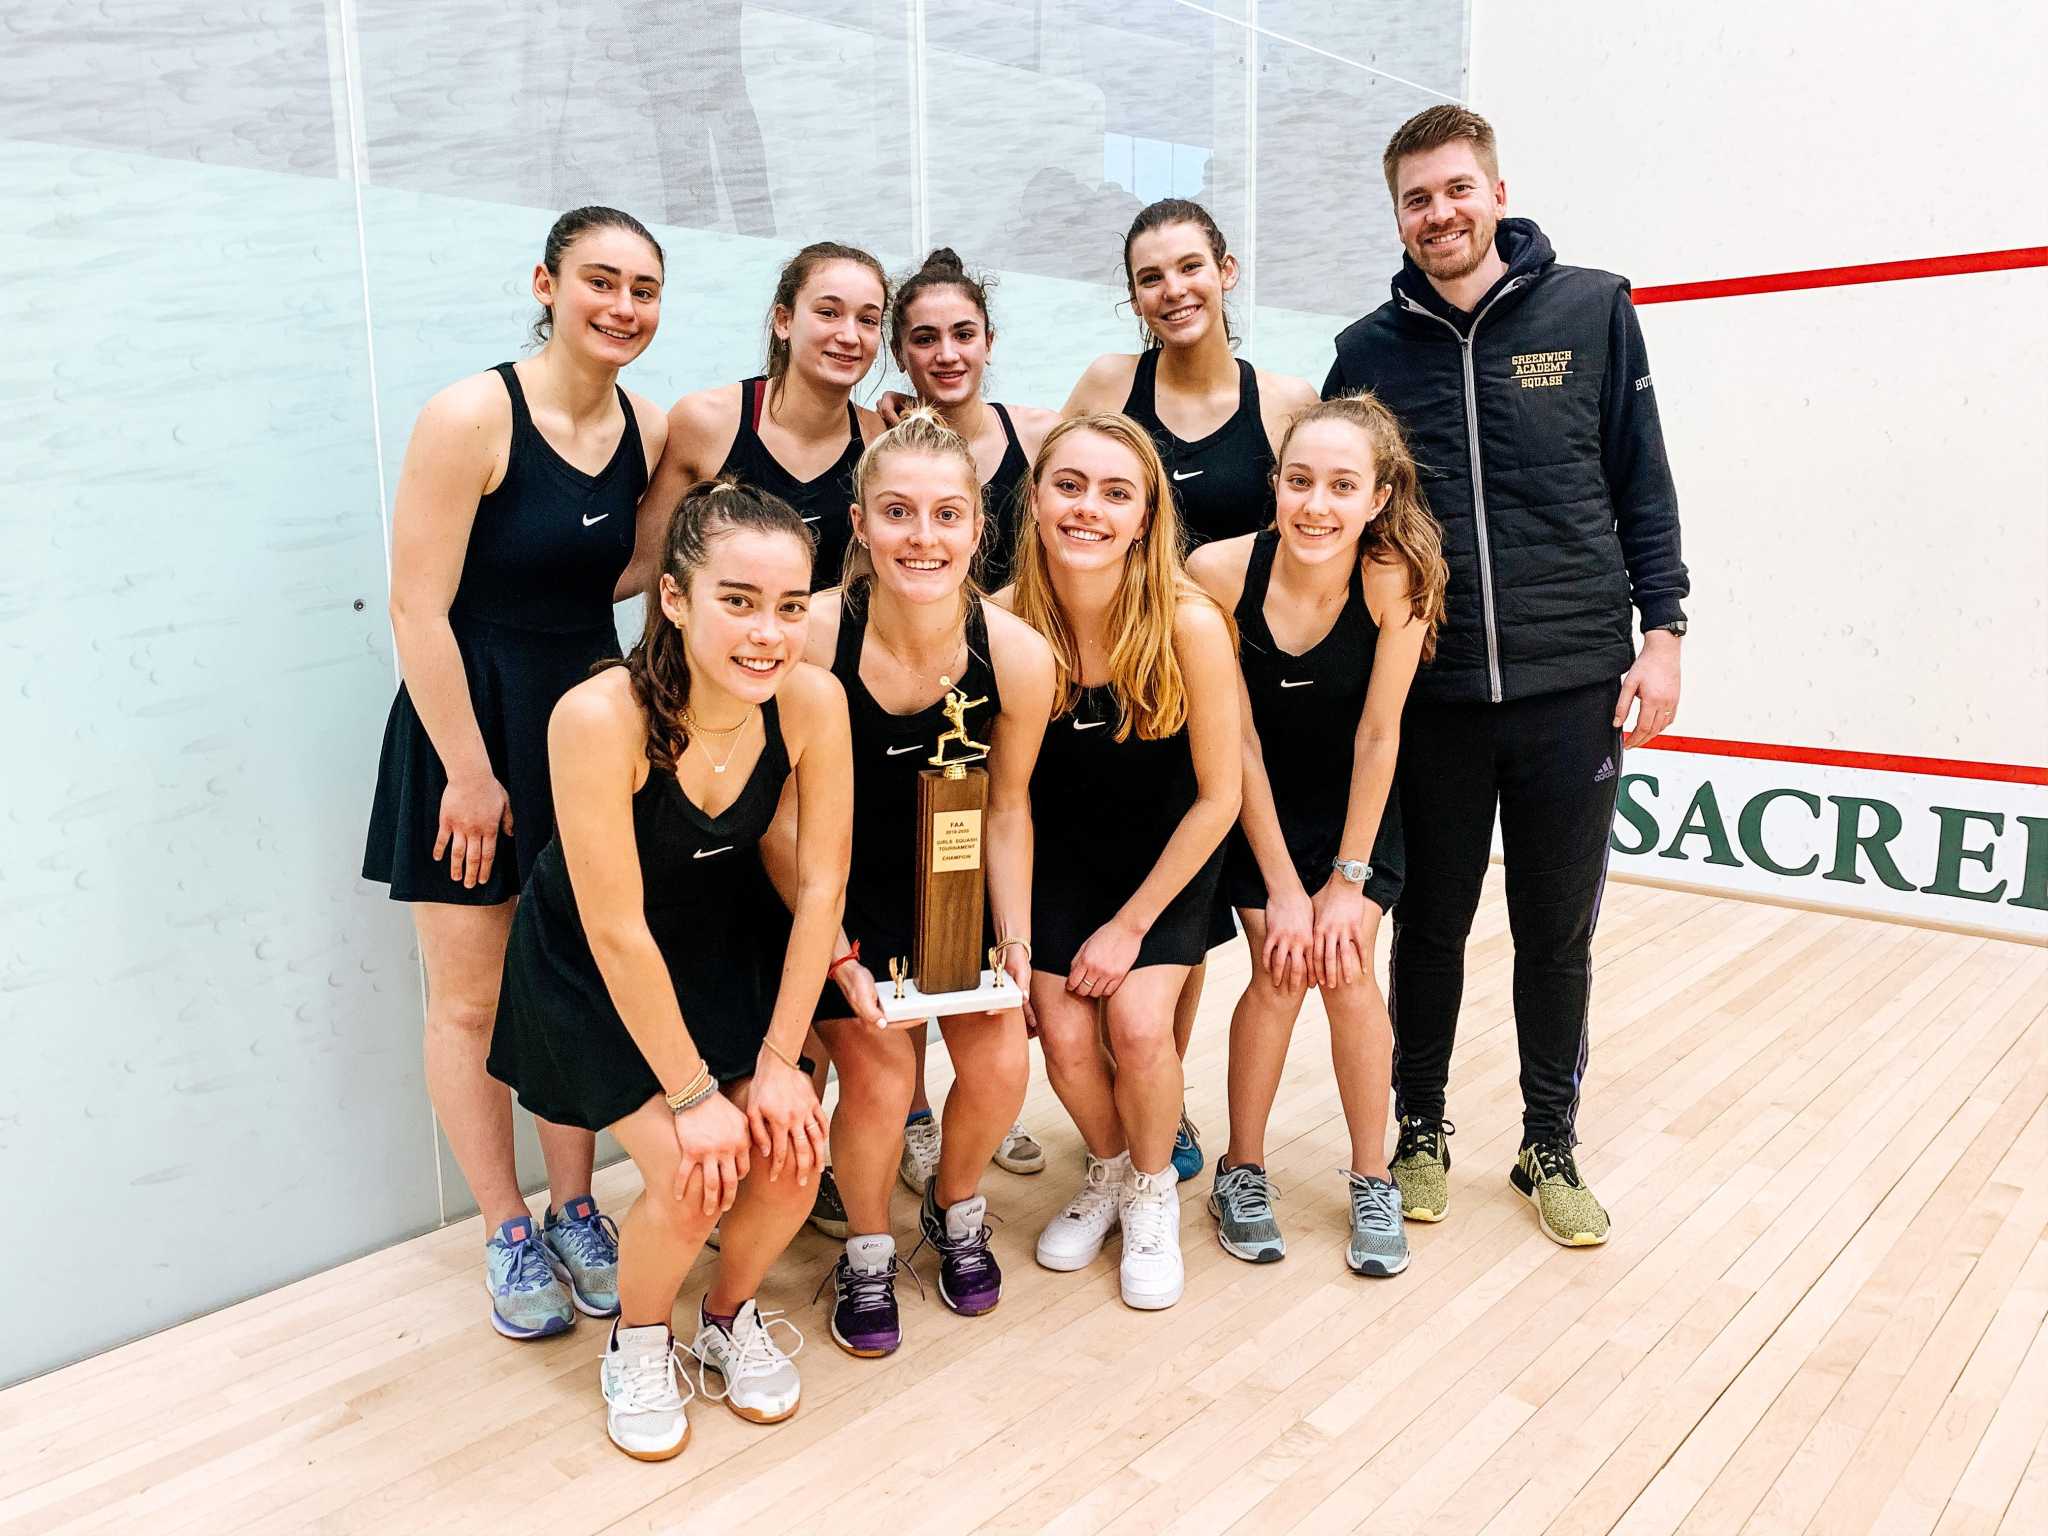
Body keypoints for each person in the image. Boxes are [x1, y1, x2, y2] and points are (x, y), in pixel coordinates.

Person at [1323, 105, 1689, 1247]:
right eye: (1416, 199)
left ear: (1495, 192)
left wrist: (1665, 629)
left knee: (1555, 934)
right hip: (1432, 694)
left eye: (1455, 190)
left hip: (1573, 683)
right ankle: (1418, 1129)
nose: (1438, 214)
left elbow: (1640, 478)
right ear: (1397, 216)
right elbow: (1338, 517)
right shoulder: (1366, 353)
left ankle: (1548, 1143)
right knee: (1429, 926)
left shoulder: (1591, 308)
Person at [487, 481, 853, 1461]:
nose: (768, 633)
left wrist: (779, 1063)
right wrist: (694, 1095)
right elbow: (613, 931)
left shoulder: (813, 702)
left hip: (716, 945)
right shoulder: (596, 716)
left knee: (792, 1150)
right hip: (590, 967)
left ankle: (726, 1317)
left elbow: (822, 888)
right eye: (738, 600)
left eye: (789, 606)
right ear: (676, 599)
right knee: (697, 1175)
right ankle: (639, 1341)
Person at [363, 206, 670, 1340]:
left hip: (585, 723)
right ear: (546, 284)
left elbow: (627, 567)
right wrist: (468, 772)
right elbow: (416, 608)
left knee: (574, 976)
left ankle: (575, 1209)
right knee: (472, 997)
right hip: (469, 731)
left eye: (643, 289)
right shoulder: (471, 415)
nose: (621, 307)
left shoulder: (644, 426)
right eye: (600, 280)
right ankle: (505, 1227)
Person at [766, 407, 1056, 1357]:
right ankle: (867, 1247)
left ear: (978, 528)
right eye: (896, 512)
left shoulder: (1017, 654)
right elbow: (781, 824)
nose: (921, 537)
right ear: (859, 525)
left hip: (951, 894)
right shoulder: (810, 637)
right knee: (884, 1079)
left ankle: (954, 1205)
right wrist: (835, 953)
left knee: (1002, 1063)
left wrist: (1016, 942)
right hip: (829, 896)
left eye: (946, 515)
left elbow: (1007, 808)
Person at [1064, 198, 1321, 1180]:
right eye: (1149, 276)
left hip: (1229, 693)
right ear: (1132, 295)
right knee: (1116, 919)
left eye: (1188, 267)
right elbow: (1053, 495)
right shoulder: (1108, 383)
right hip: (1116, 695)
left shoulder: (1283, 400)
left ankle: (1158, 1109)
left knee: (1185, 927)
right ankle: (1136, 1116)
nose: (1172, 290)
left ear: (1226, 270)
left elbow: (1317, 538)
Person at [1187, 394, 1445, 1277]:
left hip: (1357, 814)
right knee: (1280, 964)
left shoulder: (1394, 578)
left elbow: (1380, 734)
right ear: (1275, 484)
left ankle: (1373, 1177)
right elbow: (1238, 742)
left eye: (1342, 486)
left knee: (1345, 965)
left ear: (1379, 497)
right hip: (1255, 807)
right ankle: (1241, 1169)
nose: (1317, 505)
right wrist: (1283, 887)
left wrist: (1346, 879)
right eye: (1300, 481)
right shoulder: (1218, 572)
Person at [996, 413, 1241, 1311]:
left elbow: (1220, 797)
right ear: (1034, 499)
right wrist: (1013, 938)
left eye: (1114, 492)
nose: (1087, 508)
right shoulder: (1003, 622)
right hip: (1056, 857)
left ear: (1145, 516)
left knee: (1137, 1027)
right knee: (1062, 1038)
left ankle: (1150, 1188)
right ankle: (1107, 1169)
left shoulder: (1190, 623)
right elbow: (1006, 801)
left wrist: (1130, 927)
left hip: (1166, 861)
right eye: (1069, 486)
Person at [884, 247, 1061, 1187]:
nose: (946, 353)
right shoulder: (886, 447)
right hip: (917, 706)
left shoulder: (1037, 435)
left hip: (1016, 696)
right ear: (900, 354)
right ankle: (915, 1116)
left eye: (962, 333)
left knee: (993, 909)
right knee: (910, 912)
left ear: (989, 340)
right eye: (924, 338)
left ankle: (986, 1106)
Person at [646, 241, 887, 591]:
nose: (850, 336)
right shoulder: (706, 423)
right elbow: (647, 566)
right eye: (828, 313)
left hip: (836, 629)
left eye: (867, 320)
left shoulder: (881, 442)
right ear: (784, 321)